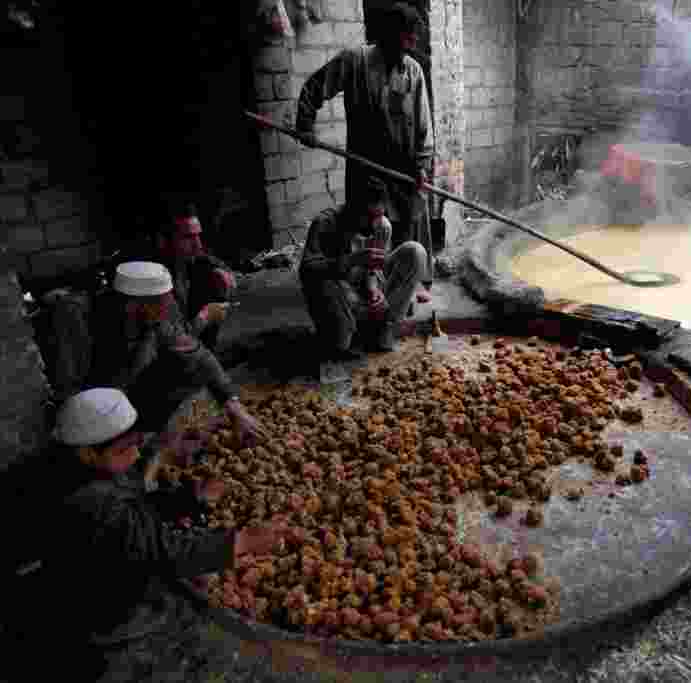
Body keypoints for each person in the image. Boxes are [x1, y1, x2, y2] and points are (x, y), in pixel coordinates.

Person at [2, 388, 286, 682]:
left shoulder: (71, 459)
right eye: (127, 449)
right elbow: (164, 552)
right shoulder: (92, 503)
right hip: (81, 597)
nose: (137, 454)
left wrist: (188, 499)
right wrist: (242, 541)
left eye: (137, 443)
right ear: (88, 452)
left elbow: (130, 498)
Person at [294, 1, 435, 309]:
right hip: (366, 167)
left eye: (414, 39)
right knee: (369, 229)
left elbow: (423, 123)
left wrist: (423, 165)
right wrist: (305, 123)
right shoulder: (355, 61)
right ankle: (367, 286)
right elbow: (315, 87)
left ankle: (405, 284)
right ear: (390, 35)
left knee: (406, 223)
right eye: (408, 38)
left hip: (405, 168)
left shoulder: (412, 71)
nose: (412, 45)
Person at [87, 261, 266, 458]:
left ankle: (148, 434)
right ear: (132, 305)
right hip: (98, 410)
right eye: (161, 303)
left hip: (133, 397)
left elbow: (197, 354)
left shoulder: (157, 319)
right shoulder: (91, 324)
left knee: (184, 365)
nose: (168, 308)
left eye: (168, 300)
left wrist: (233, 406)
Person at [300, 209, 427, 365]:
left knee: (415, 252)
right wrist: (352, 260)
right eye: (370, 217)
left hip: (363, 292)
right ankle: (345, 333)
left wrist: (373, 289)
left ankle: (385, 328)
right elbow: (307, 270)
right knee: (341, 342)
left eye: (379, 215)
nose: (375, 223)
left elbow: (373, 271)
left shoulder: (381, 225)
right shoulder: (326, 223)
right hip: (341, 293)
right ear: (354, 204)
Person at [148, 202, 238, 351]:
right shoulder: (153, 283)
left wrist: (223, 274)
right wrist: (205, 316)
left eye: (198, 235)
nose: (198, 244)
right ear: (162, 240)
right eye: (188, 237)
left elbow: (210, 261)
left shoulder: (190, 260)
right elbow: (170, 343)